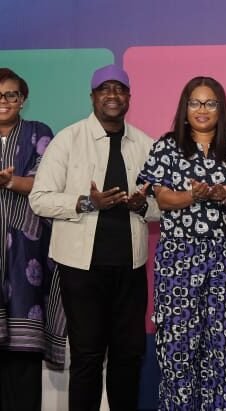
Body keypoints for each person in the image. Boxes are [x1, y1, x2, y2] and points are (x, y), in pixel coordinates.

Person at [29, 64, 159, 410]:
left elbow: (166, 205)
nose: (112, 96)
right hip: (80, 269)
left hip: (130, 270)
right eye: (105, 89)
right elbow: (39, 198)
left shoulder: (145, 144)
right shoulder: (68, 140)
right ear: (92, 97)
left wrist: (141, 205)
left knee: (129, 357)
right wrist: (88, 202)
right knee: (87, 358)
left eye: (119, 89)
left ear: (129, 97)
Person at [138, 76, 226, 410]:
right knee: (178, 347)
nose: (202, 110)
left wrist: (224, 195)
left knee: (222, 346)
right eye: (195, 103)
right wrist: (194, 195)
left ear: (222, 108)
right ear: (184, 107)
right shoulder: (165, 146)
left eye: (210, 103)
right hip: (179, 255)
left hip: (224, 258)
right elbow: (163, 200)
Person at [0, 68, 58, 410]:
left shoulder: (39, 134)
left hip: (26, 252)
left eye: (11, 95)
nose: (4, 102)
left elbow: (46, 183)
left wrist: (9, 182)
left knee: (23, 353)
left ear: (23, 100)